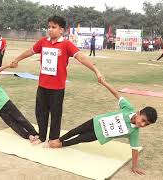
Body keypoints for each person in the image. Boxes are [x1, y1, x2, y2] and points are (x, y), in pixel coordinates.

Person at [10, 15, 104, 146]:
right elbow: (30, 51)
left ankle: (53, 139)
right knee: (41, 113)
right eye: (49, 27)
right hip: (42, 85)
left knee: (55, 115)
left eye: (54, 27)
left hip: (57, 88)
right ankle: (42, 136)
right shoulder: (43, 42)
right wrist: (17, 59)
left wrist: (96, 71)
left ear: (62, 30)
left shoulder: (66, 44)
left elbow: (81, 57)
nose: (50, 29)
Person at [49, 79, 158, 175]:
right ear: (138, 113)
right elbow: (116, 94)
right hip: (95, 122)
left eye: (146, 124)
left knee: (80, 138)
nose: (143, 124)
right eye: (143, 120)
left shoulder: (134, 132)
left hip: (98, 135)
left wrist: (134, 166)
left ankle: (61, 144)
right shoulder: (128, 108)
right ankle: (59, 139)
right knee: (75, 131)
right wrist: (104, 82)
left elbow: (135, 149)